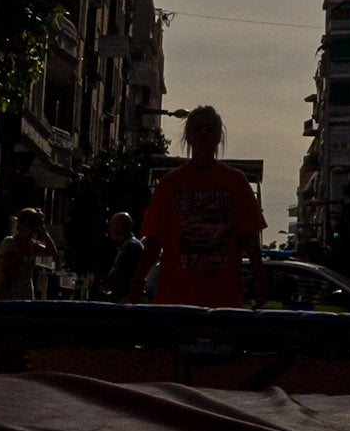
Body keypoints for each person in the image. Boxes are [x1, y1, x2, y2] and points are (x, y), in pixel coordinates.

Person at [140, 105, 266, 307]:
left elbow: (250, 240)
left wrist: (260, 282)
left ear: (218, 136)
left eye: (210, 129)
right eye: (198, 128)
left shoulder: (235, 183)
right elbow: (153, 242)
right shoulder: (170, 185)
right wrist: (136, 284)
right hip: (177, 300)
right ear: (188, 135)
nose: (203, 134)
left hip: (222, 301)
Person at [0, 205, 59, 301]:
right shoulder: (9, 242)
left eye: (30, 228)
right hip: (8, 292)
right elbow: (8, 267)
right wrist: (22, 249)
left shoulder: (32, 245)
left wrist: (42, 229)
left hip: (25, 294)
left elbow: (52, 251)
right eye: (25, 227)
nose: (27, 231)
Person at [102, 208, 148, 302]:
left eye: (112, 224)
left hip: (126, 301)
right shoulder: (128, 245)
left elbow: (126, 275)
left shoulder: (131, 247)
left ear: (120, 226)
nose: (110, 229)